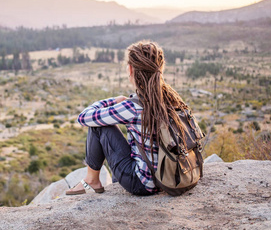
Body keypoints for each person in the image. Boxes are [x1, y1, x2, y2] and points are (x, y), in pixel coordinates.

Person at [66, 40, 188, 196]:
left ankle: (92, 181)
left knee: (100, 126)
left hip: (143, 185)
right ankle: (100, 180)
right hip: (171, 177)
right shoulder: (172, 99)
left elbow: (83, 118)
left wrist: (112, 101)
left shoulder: (133, 106)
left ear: (131, 70)